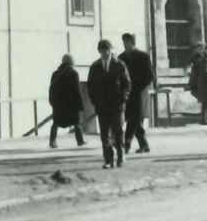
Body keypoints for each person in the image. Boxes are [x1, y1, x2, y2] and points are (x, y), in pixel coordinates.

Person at [86, 39, 131, 169]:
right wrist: (95, 101)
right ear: (99, 52)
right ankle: (108, 159)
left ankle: (121, 156)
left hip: (117, 106)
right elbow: (90, 86)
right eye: (102, 51)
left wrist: (123, 98)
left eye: (107, 50)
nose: (105, 53)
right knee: (104, 134)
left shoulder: (119, 65)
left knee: (118, 132)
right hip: (102, 106)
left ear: (111, 50)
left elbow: (127, 84)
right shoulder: (95, 67)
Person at [119, 33, 154, 154]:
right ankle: (144, 145)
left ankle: (126, 144)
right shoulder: (121, 58)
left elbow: (150, 76)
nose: (125, 45)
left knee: (134, 118)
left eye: (127, 42)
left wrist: (138, 85)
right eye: (124, 42)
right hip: (127, 94)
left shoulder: (143, 56)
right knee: (134, 120)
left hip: (139, 94)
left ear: (133, 43)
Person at [47, 54, 86, 148]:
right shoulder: (73, 73)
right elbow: (77, 90)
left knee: (55, 123)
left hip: (59, 104)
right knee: (76, 122)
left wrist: (52, 102)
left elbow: (51, 89)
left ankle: (52, 141)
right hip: (71, 104)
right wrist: (80, 105)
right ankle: (80, 141)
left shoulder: (55, 73)